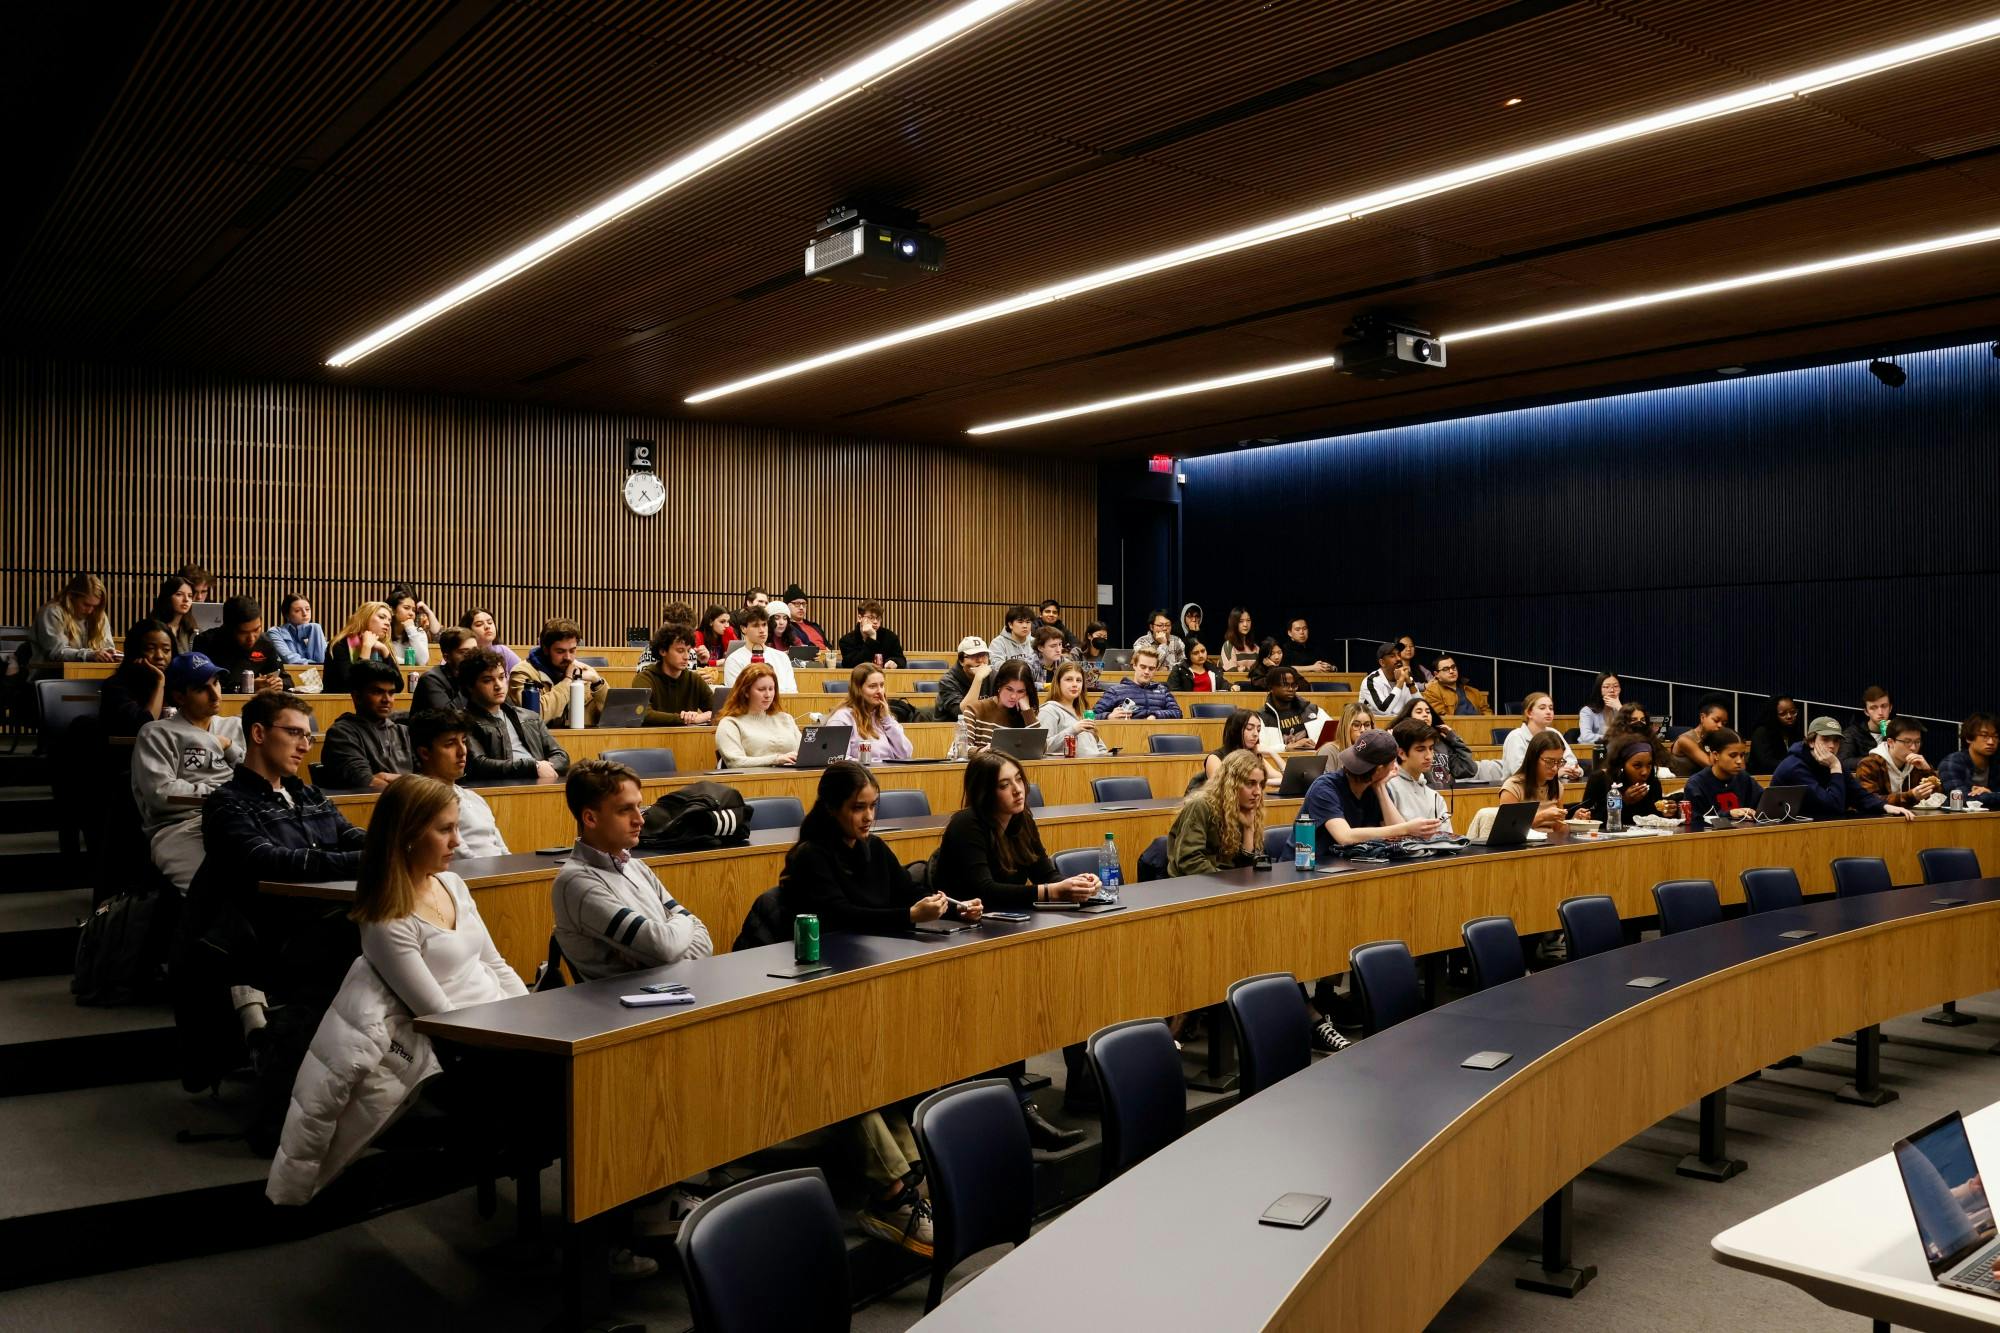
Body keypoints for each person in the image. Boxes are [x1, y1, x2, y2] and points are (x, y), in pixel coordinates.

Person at [768, 763, 942, 1251]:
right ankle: (894, 1195)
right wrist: (907, 915)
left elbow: (909, 894)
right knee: (851, 1079)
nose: (868, 818)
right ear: (832, 808)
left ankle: (907, 1182)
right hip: (818, 993)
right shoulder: (811, 857)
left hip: (867, 982)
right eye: (858, 808)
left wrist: (946, 902)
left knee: (891, 1068)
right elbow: (837, 917)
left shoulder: (872, 847)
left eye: (873, 807)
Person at [175, 691, 367, 1087]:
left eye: (308, 736)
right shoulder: (228, 804)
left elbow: (352, 837)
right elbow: (273, 861)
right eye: (294, 733)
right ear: (259, 733)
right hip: (270, 939)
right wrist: (371, 858)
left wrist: (393, 845)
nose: (304, 744)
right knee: (368, 935)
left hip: (322, 921)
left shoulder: (308, 794)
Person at [352, 773, 525, 1012]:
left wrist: (528, 1012)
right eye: (445, 830)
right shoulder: (387, 919)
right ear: (408, 834)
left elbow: (496, 965)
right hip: (467, 1038)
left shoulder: (453, 883)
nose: (457, 841)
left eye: (457, 827)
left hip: (504, 1018)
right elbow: (438, 1016)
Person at [552, 759, 713, 980]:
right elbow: (663, 946)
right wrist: (683, 925)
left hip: (674, 993)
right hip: (622, 1011)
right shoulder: (576, 883)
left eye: (639, 806)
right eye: (625, 810)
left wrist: (672, 942)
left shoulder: (636, 866)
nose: (639, 820)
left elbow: (704, 939)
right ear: (590, 818)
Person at [133, 653, 244, 890]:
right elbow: (161, 795)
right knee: (213, 891)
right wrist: (225, 792)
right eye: (202, 689)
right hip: (181, 826)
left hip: (242, 819)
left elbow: (260, 778)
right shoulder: (156, 733)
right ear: (179, 697)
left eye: (216, 683)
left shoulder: (236, 727)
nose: (215, 694)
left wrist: (230, 747)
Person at [935, 753, 1097, 912]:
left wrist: (1079, 885)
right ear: (984, 792)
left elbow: (1045, 874)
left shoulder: (1022, 819)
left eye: (1019, 779)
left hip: (1006, 918)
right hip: (962, 925)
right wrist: (1053, 891)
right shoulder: (966, 824)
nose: (1018, 790)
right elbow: (984, 891)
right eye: (1004, 785)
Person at [1301, 730, 1442, 858]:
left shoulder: (1376, 789)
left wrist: (1380, 789)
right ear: (1380, 769)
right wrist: (1406, 828)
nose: (1395, 767)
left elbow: (1399, 837)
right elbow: (1345, 837)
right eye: (1393, 763)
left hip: (1353, 865)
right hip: (1308, 869)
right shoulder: (1324, 788)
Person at [409, 709, 507, 860]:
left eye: (464, 741)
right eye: (450, 744)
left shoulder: (474, 797)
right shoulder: (422, 800)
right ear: (425, 753)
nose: (462, 751)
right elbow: (459, 855)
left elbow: (502, 848)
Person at [1772, 717, 1915, 821]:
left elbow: (1859, 794)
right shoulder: (1794, 767)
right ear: (1810, 741)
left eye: (1835, 740)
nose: (1832, 745)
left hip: (1813, 827)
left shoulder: (1833, 762)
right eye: (1825, 739)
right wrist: (1835, 768)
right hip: (1781, 830)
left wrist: (1886, 807)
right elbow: (1833, 807)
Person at [457, 650, 566, 782]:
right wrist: (533, 766)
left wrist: (544, 768)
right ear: (470, 686)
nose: (498, 686)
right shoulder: (463, 721)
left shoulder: (529, 716)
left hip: (539, 781)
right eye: (488, 680)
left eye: (502, 677)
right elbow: (479, 764)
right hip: (502, 790)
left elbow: (561, 756)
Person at [320, 660, 413, 792]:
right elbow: (366, 782)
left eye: (391, 693)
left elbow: (432, 779)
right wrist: (414, 782)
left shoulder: (403, 731)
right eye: (378, 692)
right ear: (357, 696)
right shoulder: (341, 734)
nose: (387, 700)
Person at [1168, 749, 1265, 872]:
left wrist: (1248, 829)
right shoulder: (1200, 806)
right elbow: (1189, 861)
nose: (1258, 792)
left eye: (1260, 784)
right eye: (1250, 784)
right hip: (1194, 884)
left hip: (1228, 883)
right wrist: (1229, 881)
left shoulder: (1247, 809)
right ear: (1232, 784)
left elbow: (1244, 869)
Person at [509, 619, 608, 727]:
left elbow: (613, 716)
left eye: (572, 650)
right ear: (545, 649)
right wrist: (568, 680)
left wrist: (597, 683)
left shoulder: (581, 670)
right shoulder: (522, 673)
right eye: (560, 652)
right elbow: (534, 717)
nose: (568, 657)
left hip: (582, 741)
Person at [191, 596, 286, 694]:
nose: (251, 638)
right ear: (228, 628)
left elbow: (287, 681)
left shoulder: (265, 644)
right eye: (244, 633)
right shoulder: (206, 642)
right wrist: (245, 687)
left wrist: (279, 683)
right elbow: (199, 686)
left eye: (256, 630)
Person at [715, 662, 802, 768]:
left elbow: (804, 754)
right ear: (746, 692)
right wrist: (776, 759)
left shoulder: (786, 719)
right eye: (761, 689)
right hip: (752, 782)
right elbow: (735, 762)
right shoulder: (730, 723)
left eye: (771, 689)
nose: (768, 695)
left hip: (792, 782)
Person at [1577, 734, 1677, 822]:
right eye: (1637, 766)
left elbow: (1652, 818)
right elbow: (1586, 819)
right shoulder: (1600, 779)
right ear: (1622, 764)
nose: (1645, 772)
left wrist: (1666, 813)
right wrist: (1623, 802)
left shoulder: (1653, 783)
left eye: (1649, 765)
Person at [826, 663, 914, 763]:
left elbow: (906, 754)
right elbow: (838, 760)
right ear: (858, 689)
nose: (880, 691)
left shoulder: (884, 717)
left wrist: (887, 719)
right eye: (872, 686)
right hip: (861, 776)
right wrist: (878, 764)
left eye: (882, 685)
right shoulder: (841, 718)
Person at [101, 621, 175, 737]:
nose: (160, 656)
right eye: (151, 649)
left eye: (166, 650)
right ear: (135, 652)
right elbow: (145, 729)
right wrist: (159, 682)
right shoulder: (115, 686)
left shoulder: (178, 683)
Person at [954, 659, 1037, 756]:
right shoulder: (975, 709)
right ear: (999, 685)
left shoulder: (1025, 714)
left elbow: (1040, 749)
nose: (1014, 696)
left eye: (1020, 691)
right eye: (1009, 689)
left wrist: (1027, 711)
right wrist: (984, 752)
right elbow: (961, 749)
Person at [635, 624, 715, 727]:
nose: (686, 657)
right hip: (652, 740)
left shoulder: (694, 679)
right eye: (680, 651)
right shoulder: (645, 678)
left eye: (688, 650)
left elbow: (720, 710)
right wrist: (685, 719)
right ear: (663, 651)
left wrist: (707, 715)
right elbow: (642, 713)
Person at [1854, 717, 1941, 807]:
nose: (1913, 748)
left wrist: (1927, 771)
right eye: (1907, 742)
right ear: (1891, 742)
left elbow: (1938, 798)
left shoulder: (1918, 764)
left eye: (1917, 742)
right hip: (1880, 819)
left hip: (1913, 817)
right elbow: (1868, 800)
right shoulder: (1869, 764)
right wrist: (1910, 796)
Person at [1384, 720, 1453, 835]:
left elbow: (1448, 840)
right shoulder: (1387, 787)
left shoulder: (1435, 797)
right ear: (1401, 753)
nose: (1429, 756)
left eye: (1431, 748)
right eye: (1421, 749)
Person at [32, 573, 116, 665]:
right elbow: (57, 652)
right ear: (71, 596)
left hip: (88, 675)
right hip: (51, 675)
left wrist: (109, 654)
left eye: (95, 606)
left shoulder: (98, 615)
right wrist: (90, 655)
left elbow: (107, 646)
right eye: (86, 605)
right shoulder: (52, 612)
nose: (90, 611)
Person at [1683, 728, 1761, 821]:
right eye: (1733, 755)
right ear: (1716, 755)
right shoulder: (1696, 784)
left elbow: (1764, 804)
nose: (1739, 761)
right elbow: (1696, 821)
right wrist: (1728, 814)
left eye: (1742, 755)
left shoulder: (1744, 778)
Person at [1499, 731, 1571, 833]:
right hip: (1522, 846)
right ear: (1533, 758)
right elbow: (1508, 830)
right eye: (1549, 762)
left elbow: (1559, 830)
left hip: (1551, 844)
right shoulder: (1513, 787)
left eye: (1559, 762)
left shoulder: (1557, 786)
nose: (1555, 768)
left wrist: (1574, 822)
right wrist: (1542, 816)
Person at [1500, 693, 1583, 780]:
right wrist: (1556, 773)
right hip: (1519, 789)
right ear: (1529, 713)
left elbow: (1571, 761)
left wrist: (1574, 771)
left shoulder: (1554, 733)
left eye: (1551, 708)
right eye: (1542, 708)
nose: (1548, 712)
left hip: (1551, 787)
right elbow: (1520, 772)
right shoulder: (1516, 737)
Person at [721, 604, 799, 693]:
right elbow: (737, 696)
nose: (762, 630)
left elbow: (793, 692)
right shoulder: (734, 660)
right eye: (756, 626)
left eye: (764, 624)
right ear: (743, 628)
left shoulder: (782, 657)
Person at [325, 602, 401, 694]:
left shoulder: (382, 647)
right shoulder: (339, 645)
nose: (387, 623)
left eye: (389, 620)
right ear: (365, 617)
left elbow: (398, 686)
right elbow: (350, 687)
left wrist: (385, 651)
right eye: (381, 617)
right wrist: (366, 648)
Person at [1038, 661, 1106, 757]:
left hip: (1093, 767)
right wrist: (1073, 730)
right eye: (1069, 679)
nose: (1075, 684)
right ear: (1058, 683)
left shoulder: (1083, 711)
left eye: (1078, 680)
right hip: (1067, 770)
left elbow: (1099, 746)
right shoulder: (1048, 711)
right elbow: (1042, 747)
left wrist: (1105, 755)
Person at [1095, 646, 1183, 719]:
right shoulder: (1115, 691)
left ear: (1156, 669)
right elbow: (1092, 715)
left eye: (1151, 668)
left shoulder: (1163, 691)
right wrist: (1109, 716)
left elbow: (1177, 713)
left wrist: (1155, 715)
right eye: (1143, 667)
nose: (1147, 672)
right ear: (1134, 665)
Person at [1201, 709, 1276, 789]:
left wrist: (1272, 752)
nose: (1255, 734)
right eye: (1249, 728)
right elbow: (1221, 789)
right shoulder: (1215, 758)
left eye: (1258, 730)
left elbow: (1282, 778)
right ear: (1236, 730)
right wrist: (1258, 781)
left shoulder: (1254, 755)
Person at [411, 627, 477, 713]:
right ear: (447, 657)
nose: (473, 656)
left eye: (475, 651)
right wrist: (468, 681)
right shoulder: (430, 679)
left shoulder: (479, 676)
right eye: (464, 652)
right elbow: (449, 718)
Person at [1258, 667, 1322, 750]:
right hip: (1281, 760)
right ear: (1271, 688)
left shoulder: (1312, 710)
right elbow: (1259, 748)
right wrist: (1286, 748)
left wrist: (1317, 746)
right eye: (1285, 685)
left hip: (1312, 757)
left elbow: (1333, 735)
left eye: (1294, 685)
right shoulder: (1261, 717)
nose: (1291, 689)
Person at [1940, 712, 1997, 801]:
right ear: (1969, 738)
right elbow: (1960, 799)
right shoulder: (1952, 762)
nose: (1991, 742)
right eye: (1984, 735)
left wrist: (1990, 794)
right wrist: (1993, 795)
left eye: (1995, 736)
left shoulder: (1997, 762)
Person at [1667, 698, 1731, 778]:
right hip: (1681, 787)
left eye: (1724, 723)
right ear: (1702, 717)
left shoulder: (1714, 738)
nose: (1720, 726)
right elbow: (1712, 766)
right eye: (1716, 720)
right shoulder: (1685, 740)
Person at [933, 636, 989, 723]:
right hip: (949, 732)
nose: (980, 660)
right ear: (961, 661)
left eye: (984, 655)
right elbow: (964, 714)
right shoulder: (947, 681)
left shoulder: (993, 676)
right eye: (974, 656)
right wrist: (978, 679)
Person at [838, 600, 904, 670]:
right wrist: (872, 638)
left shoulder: (890, 637)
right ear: (860, 618)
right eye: (871, 618)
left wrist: (894, 662)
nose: (875, 622)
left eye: (878, 618)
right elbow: (852, 665)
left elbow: (901, 659)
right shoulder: (846, 641)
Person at [1841, 686, 1898, 766]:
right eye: (1873, 708)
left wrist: (1890, 735)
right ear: (1866, 712)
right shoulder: (1853, 733)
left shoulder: (1898, 731)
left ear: (1890, 708)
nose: (1880, 712)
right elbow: (1843, 762)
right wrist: (1875, 760)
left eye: (1884, 706)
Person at [1422, 653, 1492, 717]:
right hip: (1454, 728)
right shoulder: (1432, 692)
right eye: (1446, 669)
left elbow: (1487, 713)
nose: (1452, 671)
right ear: (1436, 674)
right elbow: (1442, 719)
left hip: (1478, 727)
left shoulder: (1473, 691)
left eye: (1453, 667)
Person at [1749, 696, 1804, 774]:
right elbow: (1766, 763)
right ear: (1773, 715)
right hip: (1765, 778)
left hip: (1792, 775)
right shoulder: (1761, 732)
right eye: (1783, 714)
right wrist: (1793, 766)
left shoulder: (1797, 732)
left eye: (1793, 712)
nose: (1789, 716)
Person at [457, 608, 522, 674]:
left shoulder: (503, 651)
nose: (487, 627)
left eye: (490, 622)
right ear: (468, 630)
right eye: (479, 624)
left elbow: (522, 673)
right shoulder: (463, 654)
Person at [1359, 641, 1415, 715]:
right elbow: (1383, 710)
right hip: (1375, 724)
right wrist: (1400, 682)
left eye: (1399, 654)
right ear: (1382, 662)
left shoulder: (1405, 676)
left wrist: (1410, 683)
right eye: (1392, 656)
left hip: (1400, 724)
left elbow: (1419, 705)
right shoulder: (1371, 681)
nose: (1398, 658)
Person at [272, 594, 327, 666]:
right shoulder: (275, 632)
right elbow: (291, 659)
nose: (305, 613)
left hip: (316, 676)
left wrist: (316, 629)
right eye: (297, 611)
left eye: (307, 609)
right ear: (287, 615)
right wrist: (319, 665)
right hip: (289, 675)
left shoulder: (314, 630)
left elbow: (323, 659)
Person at [150, 575, 199, 655]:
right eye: (179, 594)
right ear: (167, 597)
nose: (186, 599)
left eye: (190, 596)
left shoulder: (193, 630)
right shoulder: (153, 629)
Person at [1132, 608, 1186, 675]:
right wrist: (1163, 644)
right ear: (1152, 627)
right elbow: (1149, 666)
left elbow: (1185, 664)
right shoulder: (1142, 642)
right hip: (1149, 682)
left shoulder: (1176, 641)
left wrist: (1167, 668)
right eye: (1160, 625)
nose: (1164, 628)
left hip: (1173, 682)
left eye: (1168, 625)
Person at [1577, 673, 1624, 746]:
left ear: (1620, 689)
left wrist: (1620, 708)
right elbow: (1586, 737)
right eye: (1606, 687)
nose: (1612, 690)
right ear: (1599, 690)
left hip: (1615, 750)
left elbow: (1634, 733)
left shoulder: (1620, 709)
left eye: (1615, 686)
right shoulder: (1587, 711)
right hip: (1590, 751)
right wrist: (1614, 739)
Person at [782, 584, 830, 653]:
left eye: (804, 604)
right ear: (786, 605)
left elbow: (828, 646)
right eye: (797, 604)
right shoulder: (786, 627)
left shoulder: (815, 626)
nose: (801, 607)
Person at [1218, 607, 1257, 674]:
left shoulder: (1255, 647)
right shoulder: (1228, 645)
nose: (1245, 624)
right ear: (1234, 623)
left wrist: (1244, 669)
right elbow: (1232, 672)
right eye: (1241, 621)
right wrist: (1248, 670)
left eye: (1248, 620)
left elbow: (1260, 671)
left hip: (1254, 683)